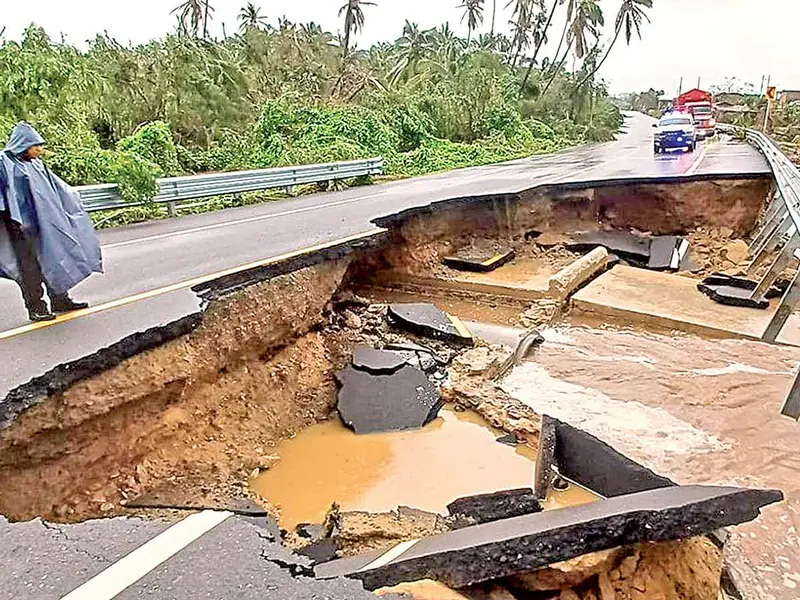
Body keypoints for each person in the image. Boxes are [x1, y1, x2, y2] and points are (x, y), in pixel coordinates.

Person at [0, 122, 102, 322]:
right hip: (18, 226)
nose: (40, 149)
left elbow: (57, 189)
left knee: (54, 257)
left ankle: (59, 299)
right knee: (29, 268)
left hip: (44, 223)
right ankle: (36, 307)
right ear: (23, 144)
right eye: (35, 145)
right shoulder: (5, 162)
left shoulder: (37, 164)